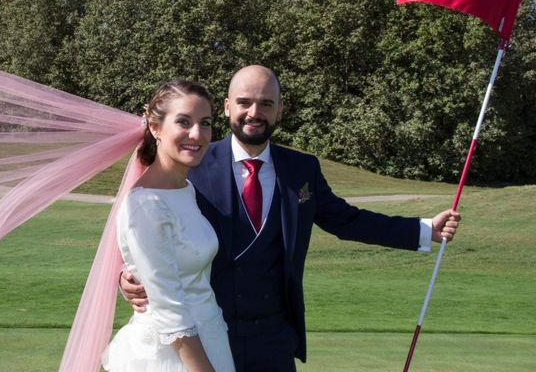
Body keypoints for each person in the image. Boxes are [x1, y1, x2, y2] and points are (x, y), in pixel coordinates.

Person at [121, 65, 460, 372]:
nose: (254, 112)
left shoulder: (302, 170)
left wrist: (423, 230)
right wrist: (128, 275)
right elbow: (151, 230)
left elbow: (348, 220)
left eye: (266, 103)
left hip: (274, 339)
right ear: (227, 107)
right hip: (206, 338)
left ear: (280, 110)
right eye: (244, 102)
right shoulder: (191, 162)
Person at [102, 80, 236, 372]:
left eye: (206, 123)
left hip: (211, 338)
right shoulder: (146, 204)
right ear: (155, 127)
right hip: (173, 357)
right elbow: (169, 308)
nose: (197, 134)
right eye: (183, 122)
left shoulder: (184, 189)